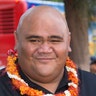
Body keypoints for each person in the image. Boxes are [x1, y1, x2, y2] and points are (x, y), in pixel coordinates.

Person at [0, 5, 96, 96]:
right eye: (35, 40)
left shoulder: (92, 85)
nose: (45, 50)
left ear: (68, 42)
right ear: (17, 40)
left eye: (54, 40)